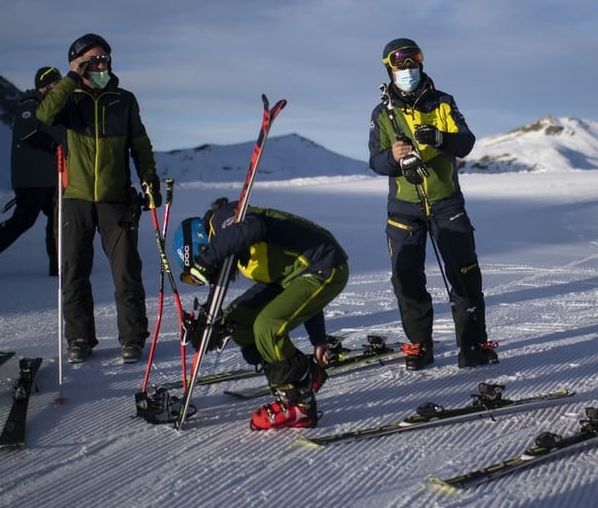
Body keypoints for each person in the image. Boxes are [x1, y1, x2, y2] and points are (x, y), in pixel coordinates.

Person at [367, 37, 497, 371]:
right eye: (400, 63)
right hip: (403, 208)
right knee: (406, 280)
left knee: (465, 275)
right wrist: (392, 158)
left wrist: (440, 140)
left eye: (413, 60)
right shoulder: (383, 113)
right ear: (389, 68)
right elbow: (375, 161)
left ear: (422, 63)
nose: (407, 68)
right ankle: (419, 346)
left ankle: (472, 346)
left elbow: (465, 142)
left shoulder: (442, 102)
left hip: (445, 203)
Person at [36, 33, 160, 364]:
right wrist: (72, 77)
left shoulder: (123, 99)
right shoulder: (68, 98)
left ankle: (132, 338)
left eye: (105, 58)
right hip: (74, 198)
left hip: (115, 199)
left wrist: (149, 178)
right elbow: (45, 115)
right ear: (78, 63)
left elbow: (141, 144)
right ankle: (79, 338)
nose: (102, 64)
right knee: (74, 271)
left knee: (126, 272)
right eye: (94, 60)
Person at [181, 197, 349, 430]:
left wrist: (206, 261)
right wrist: (318, 340)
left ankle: (299, 405)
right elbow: (301, 294)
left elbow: (253, 227)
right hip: (299, 275)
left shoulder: (226, 218)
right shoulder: (233, 244)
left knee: (268, 326)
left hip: (326, 266)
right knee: (238, 320)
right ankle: (303, 374)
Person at [0, 66, 64, 279]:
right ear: (45, 85)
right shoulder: (29, 104)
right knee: (23, 221)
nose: (58, 87)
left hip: (50, 178)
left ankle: (58, 266)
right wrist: (54, 146)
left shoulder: (51, 108)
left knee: (58, 222)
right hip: (32, 179)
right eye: (55, 83)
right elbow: (28, 132)